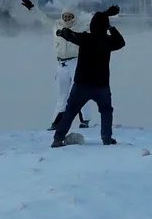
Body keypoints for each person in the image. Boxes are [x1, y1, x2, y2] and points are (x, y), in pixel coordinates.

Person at [19, 0, 102, 130]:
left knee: (81, 92)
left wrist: (107, 15)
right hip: (61, 65)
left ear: (74, 17)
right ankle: (56, 122)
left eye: (70, 16)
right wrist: (32, 8)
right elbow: (42, 17)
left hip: (76, 63)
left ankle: (85, 120)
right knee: (62, 95)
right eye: (65, 16)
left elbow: (96, 23)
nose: (67, 18)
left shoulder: (81, 26)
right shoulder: (56, 25)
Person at [51, 8, 125, 148]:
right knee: (106, 111)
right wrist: (110, 27)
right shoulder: (108, 41)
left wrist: (61, 32)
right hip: (101, 85)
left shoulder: (85, 38)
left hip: (81, 84)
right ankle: (106, 138)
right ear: (105, 26)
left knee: (70, 111)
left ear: (91, 25)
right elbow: (121, 42)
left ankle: (58, 139)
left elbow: (68, 34)